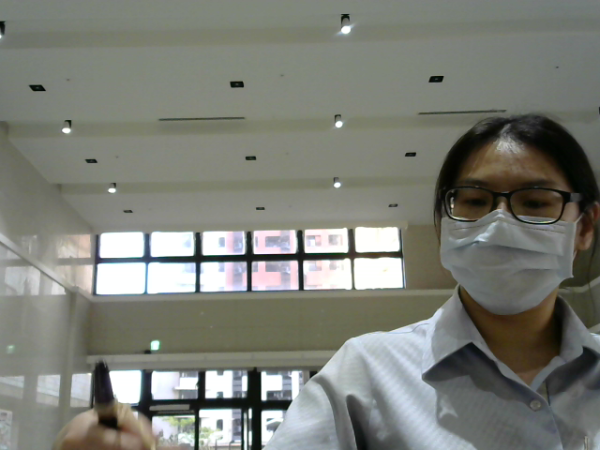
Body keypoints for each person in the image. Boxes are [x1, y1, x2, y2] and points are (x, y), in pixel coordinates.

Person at [54, 114, 600, 449]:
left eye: (535, 202)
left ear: (585, 227)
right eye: (474, 201)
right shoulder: (366, 376)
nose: (499, 224)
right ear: (444, 225)